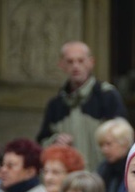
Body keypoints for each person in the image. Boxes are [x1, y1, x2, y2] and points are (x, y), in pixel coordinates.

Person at [37, 41, 127, 171]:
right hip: (69, 181)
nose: (75, 66)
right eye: (70, 61)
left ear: (91, 62)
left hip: (103, 177)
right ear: (61, 65)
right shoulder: (55, 105)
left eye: (80, 61)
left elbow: (123, 140)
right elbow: (41, 144)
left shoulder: (107, 96)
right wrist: (55, 142)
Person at [95, 117, 134, 192]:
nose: (104, 150)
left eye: (108, 144)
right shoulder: (103, 168)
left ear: (125, 143)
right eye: (101, 145)